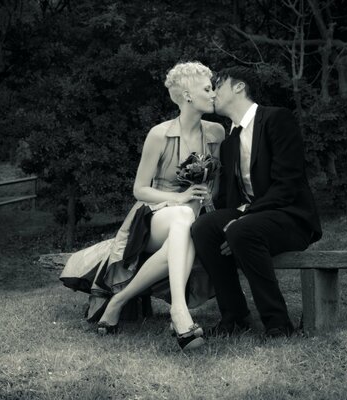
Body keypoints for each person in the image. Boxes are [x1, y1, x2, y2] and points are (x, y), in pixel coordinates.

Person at [59, 61, 224, 350]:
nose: (214, 94)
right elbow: (140, 190)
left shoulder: (216, 133)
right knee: (183, 216)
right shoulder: (159, 134)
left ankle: (119, 301)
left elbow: (216, 184)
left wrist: (209, 194)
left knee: (184, 228)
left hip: (192, 219)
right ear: (187, 95)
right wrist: (179, 198)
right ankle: (180, 310)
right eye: (207, 89)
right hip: (153, 216)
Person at [191, 66, 322, 338]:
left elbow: (287, 184)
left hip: (291, 218)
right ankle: (235, 317)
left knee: (241, 229)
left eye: (218, 85)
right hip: (253, 220)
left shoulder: (277, 119)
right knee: (204, 227)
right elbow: (231, 199)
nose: (212, 92)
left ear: (239, 87)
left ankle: (278, 324)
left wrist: (244, 216)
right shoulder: (230, 141)